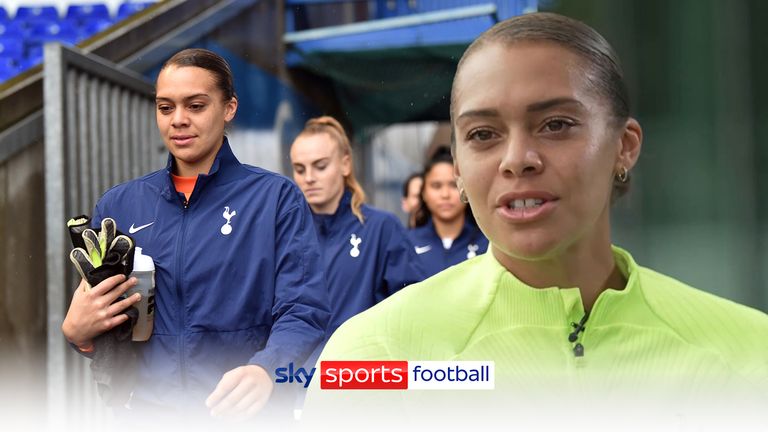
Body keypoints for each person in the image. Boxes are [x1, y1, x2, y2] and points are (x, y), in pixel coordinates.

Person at [306, 12, 768, 427]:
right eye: (483, 134)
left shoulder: (750, 354)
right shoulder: (374, 356)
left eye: (555, 125)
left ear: (624, 145)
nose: (517, 159)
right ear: (460, 170)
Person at [61, 48, 329, 423]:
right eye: (165, 107)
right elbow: (116, 331)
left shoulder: (275, 199)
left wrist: (267, 368)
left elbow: (303, 309)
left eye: (196, 105)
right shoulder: (120, 206)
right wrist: (80, 333)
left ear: (229, 108)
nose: (178, 120)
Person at [290, 116, 425, 336]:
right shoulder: (287, 234)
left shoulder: (382, 228)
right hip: (300, 369)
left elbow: (413, 309)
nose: (309, 178)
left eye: (320, 166)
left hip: (360, 367)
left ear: (345, 164)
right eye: (299, 169)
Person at [409, 148, 488, 277]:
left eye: (453, 185)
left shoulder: (489, 244)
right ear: (423, 193)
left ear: (465, 190)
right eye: (436, 186)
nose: (445, 194)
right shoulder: (407, 243)